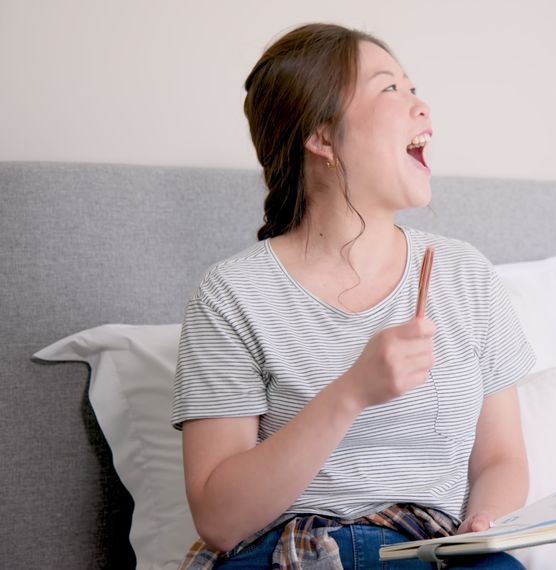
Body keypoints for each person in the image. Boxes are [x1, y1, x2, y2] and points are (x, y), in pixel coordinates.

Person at [171, 23, 536, 569]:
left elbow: (502, 459)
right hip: (284, 554)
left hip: (437, 552)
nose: (421, 107)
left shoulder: (466, 276)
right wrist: (352, 393)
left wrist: (482, 521)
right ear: (321, 138)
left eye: (414, 88)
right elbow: (219, 521)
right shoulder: (231, 294)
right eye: (391, 89)